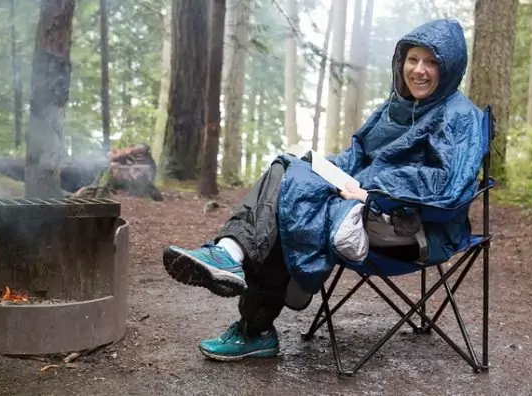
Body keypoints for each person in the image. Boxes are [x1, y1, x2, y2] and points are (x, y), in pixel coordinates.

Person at [162, 19, 484, 362]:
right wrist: (318, 166)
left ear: (449, 67)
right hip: (360, 207)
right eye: (412, 59)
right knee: (285, 171)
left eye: (431, 62)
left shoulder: (459, 115)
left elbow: (449, 184)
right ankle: (235, 261)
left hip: (412, 225)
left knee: (288, 206)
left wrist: (372, 191)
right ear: (400, 61)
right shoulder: (394, 108)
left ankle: (252, 317)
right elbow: (356, 155)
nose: (419, 70)